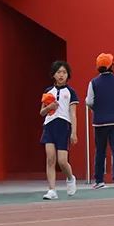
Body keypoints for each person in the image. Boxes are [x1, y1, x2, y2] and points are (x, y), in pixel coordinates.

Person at [86, 53, 114, 189]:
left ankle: (99, 180)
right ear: (111, 65)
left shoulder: (93, 82)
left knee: (100, 151)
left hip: (100, 122)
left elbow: (89, 101)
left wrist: (97, 109)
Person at [40, 61, 79, 200]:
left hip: (63, 126)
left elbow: (73, 114)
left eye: (64, 72)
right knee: (50, 159)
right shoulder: (47, 91)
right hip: (49, 126)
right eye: (58, 72)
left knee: (62, 161)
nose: (61, 75)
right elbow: (42, 112)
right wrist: (49, 107)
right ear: (54, 75)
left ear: (67, 75)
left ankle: (70, 177)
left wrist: (74, 132)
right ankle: (52, 190)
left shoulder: (71, 92)